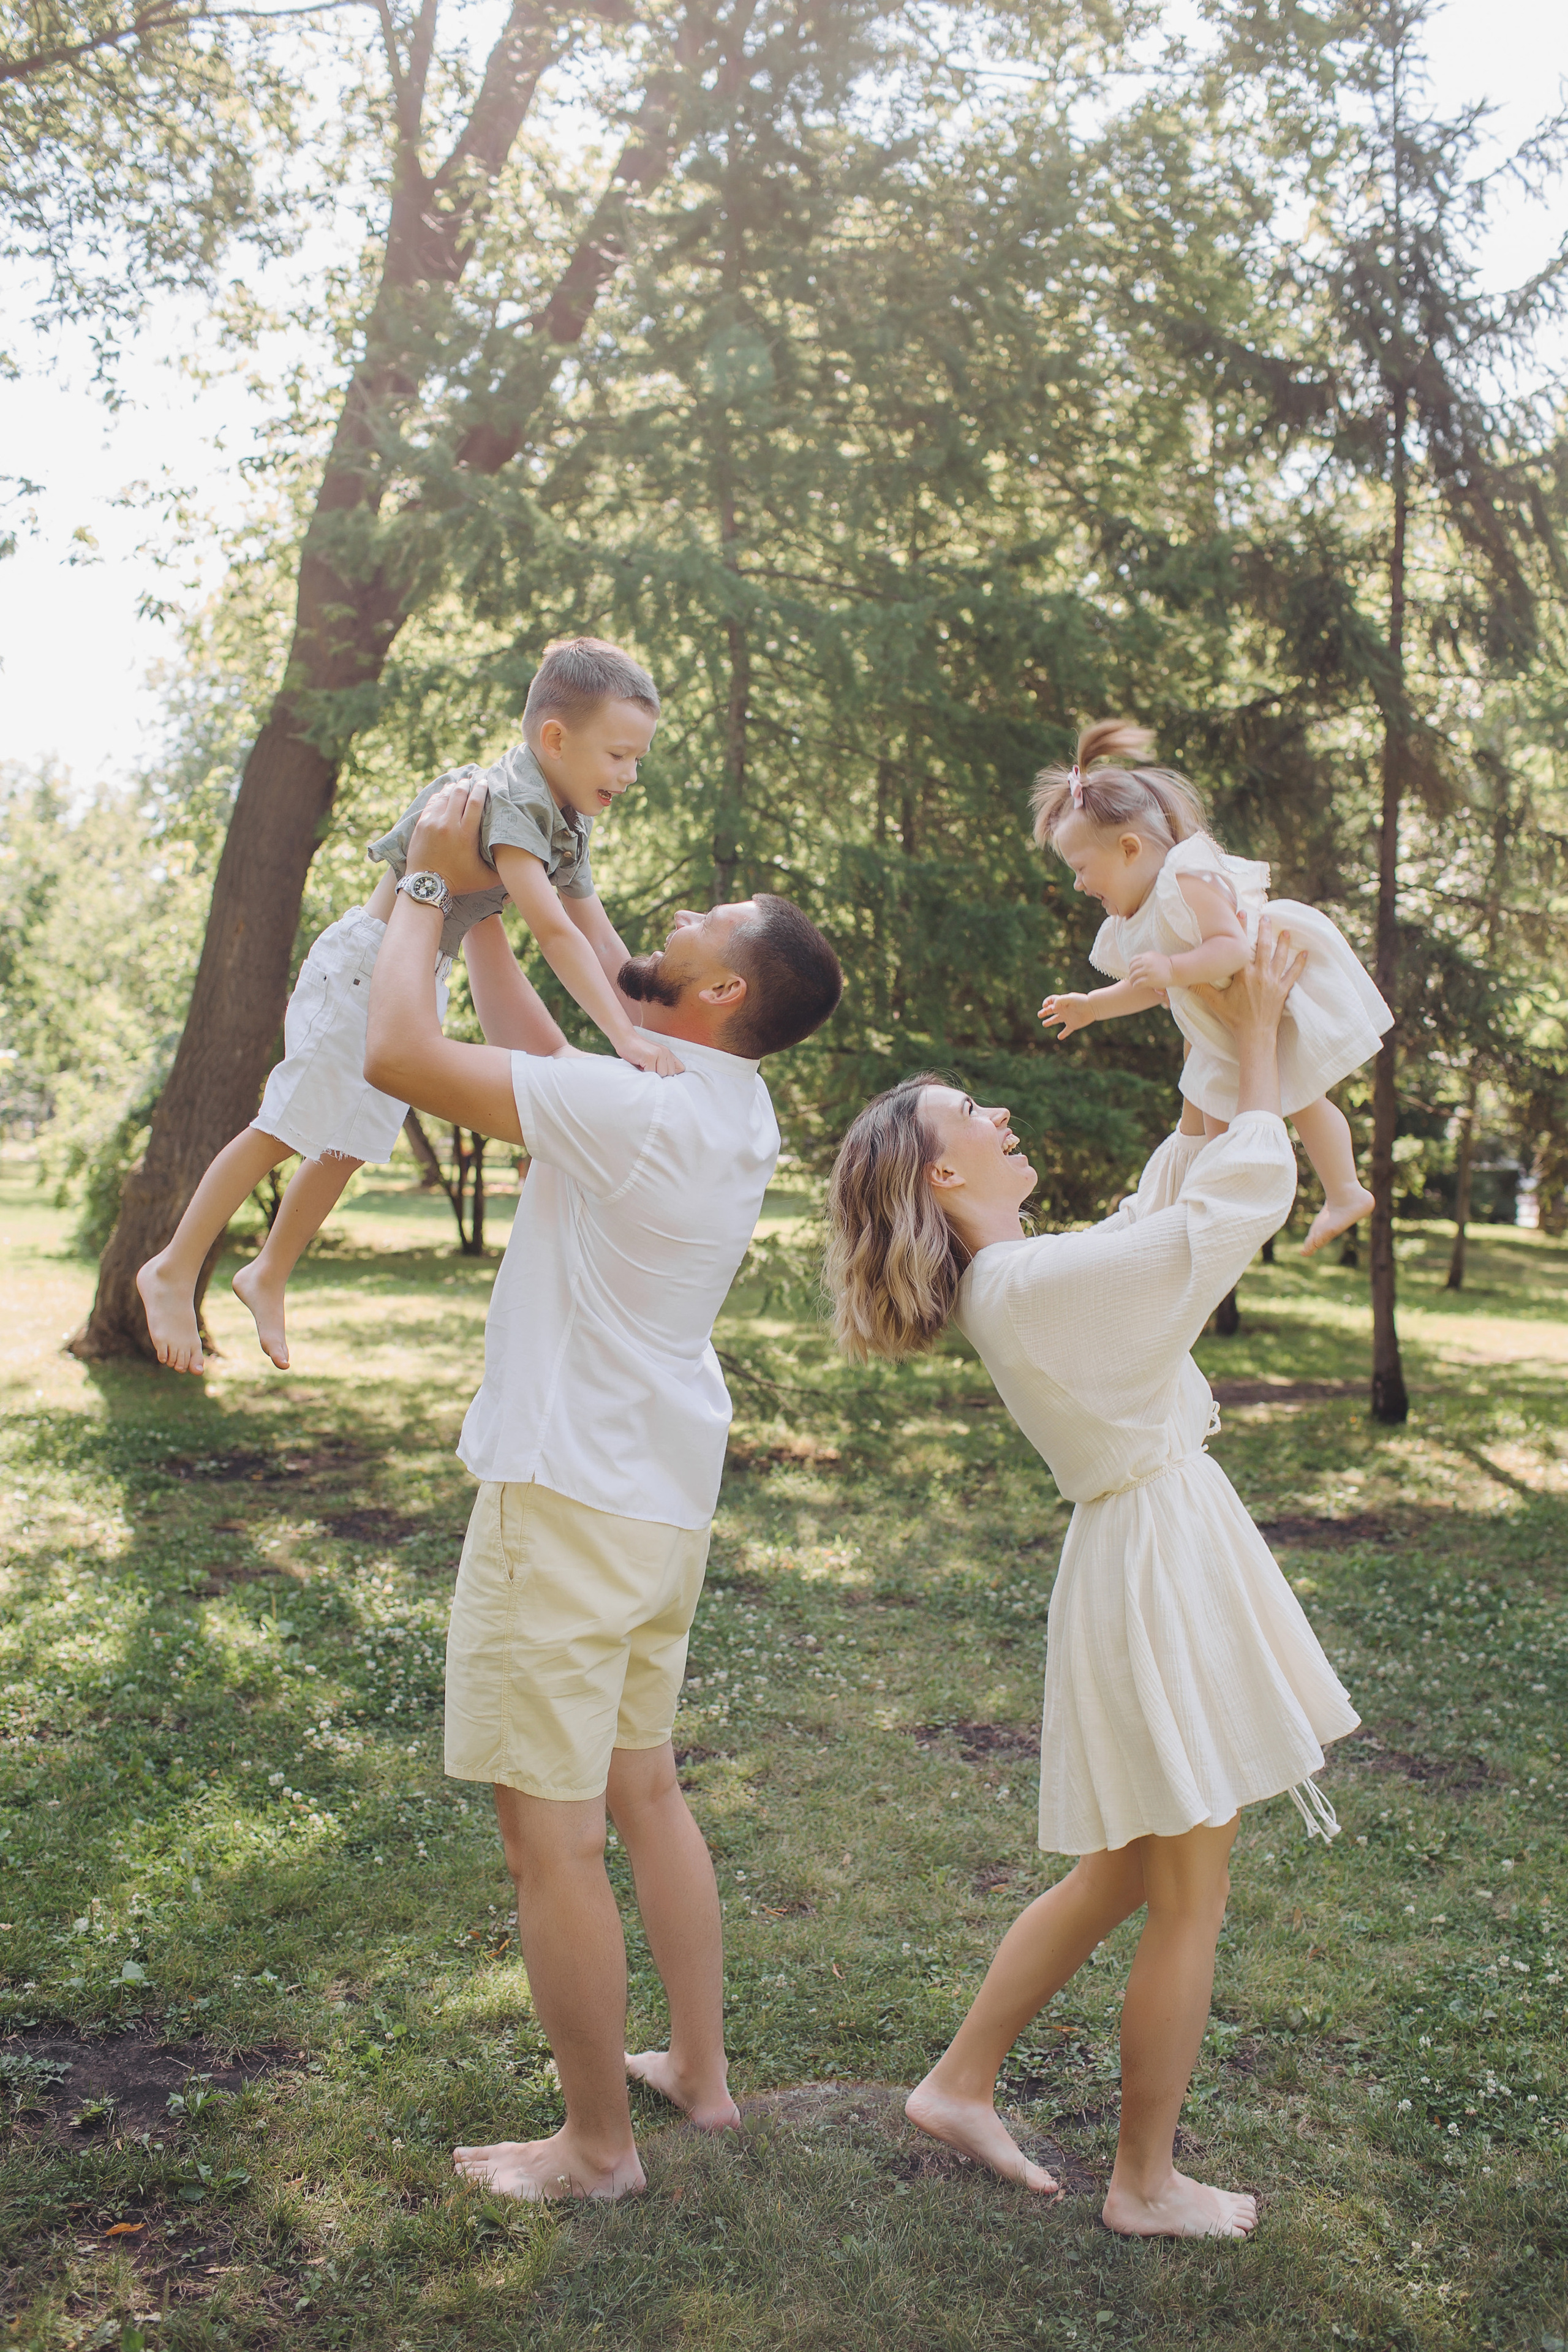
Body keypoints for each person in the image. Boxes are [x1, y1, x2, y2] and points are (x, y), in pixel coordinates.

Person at [824, 923, 1359, 2240]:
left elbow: (1166, 1198)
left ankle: (956, 2085)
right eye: (974, 1114)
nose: (1001, 1114)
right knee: (1186, 1889)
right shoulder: (1030, 1283)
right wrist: (1251, 1052)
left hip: (1153, 1550)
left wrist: (1212, 1023)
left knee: (1127, 1874)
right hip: (1153, 1566)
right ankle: (1141, 2183)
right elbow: (1228, 1209)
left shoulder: (1030, 1270)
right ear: (941, 1168)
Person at [364, 774, 843, 2202]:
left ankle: (594, 2146)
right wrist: (497, 922)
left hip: (566, 1494)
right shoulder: (719, 1097)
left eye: (692, 920)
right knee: (642, 1787)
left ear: (716, 982)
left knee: (551, 1833)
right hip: (653, 1496)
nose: (654, 916)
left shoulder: (633, 1107)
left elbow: (399, 1051)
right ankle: (692, 2072)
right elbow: (555, 1059)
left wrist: (419, 889)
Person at [135, 636, 679, 1376]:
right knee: (284, 1126)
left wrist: (653, 1028)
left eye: (637, 758)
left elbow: (598, 933)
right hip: (366, 965)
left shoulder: (566, 819)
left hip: (417, 971)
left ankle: (268, 1271)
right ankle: (171, 1266)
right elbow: (552, 931)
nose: (631, 773)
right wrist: (622, 1036)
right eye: (618, 755)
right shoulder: (514, 800)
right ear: (556, 739)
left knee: (349, 1144)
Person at [1036, 720, 1392, 1256]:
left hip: (1266, 996)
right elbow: (1148, 986)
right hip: (1218, 1026)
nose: (1078, 884)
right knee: (1213, 1119)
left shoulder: (1185, 878)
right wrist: (1092, 1006)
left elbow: (1232, 949)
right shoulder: (1138, 916)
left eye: (1083, 868)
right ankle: (1210, 1215)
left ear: (1130, 848)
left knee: (1302, 1103)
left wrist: (1174, 971)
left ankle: (1343, 1191)